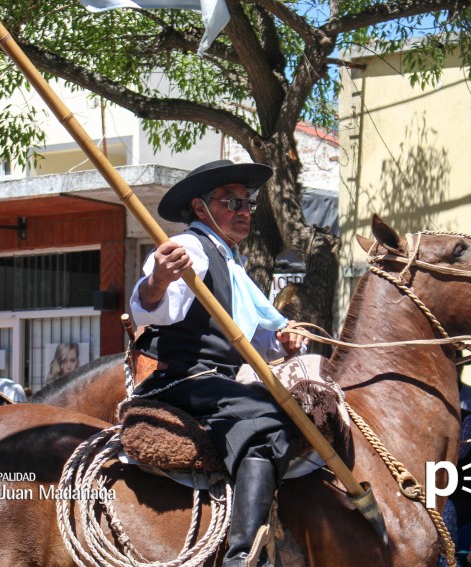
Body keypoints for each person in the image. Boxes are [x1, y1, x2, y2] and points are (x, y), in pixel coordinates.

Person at [129, 159, 307, 567]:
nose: (244, 211)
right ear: (200, 207)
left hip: (218, 382)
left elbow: (258, 335)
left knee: (294, 411)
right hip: (181, 380)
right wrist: (158, 279)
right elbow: (151, 307)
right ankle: (244, 556)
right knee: (269, 422)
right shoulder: (193, 248)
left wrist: (284, 338)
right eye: (232, 202)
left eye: (247, 203)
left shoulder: (233, 263)